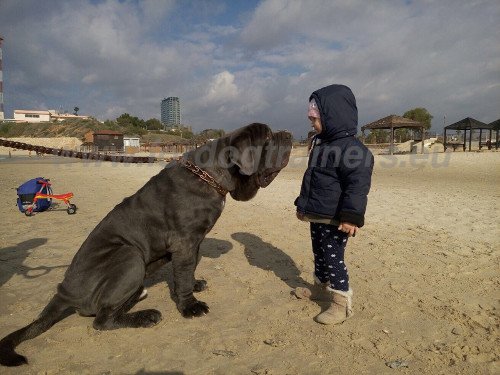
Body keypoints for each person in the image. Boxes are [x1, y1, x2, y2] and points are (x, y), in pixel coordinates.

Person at [294, 84, 374, 325]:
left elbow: (357, 186)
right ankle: (320, 287)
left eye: (315, 119)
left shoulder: (353, 150)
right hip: (317, 213)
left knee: (333, 258)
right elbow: (313, 179)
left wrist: (351, 216)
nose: (312, 124)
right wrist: (303, 207)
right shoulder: (321, 144)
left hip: (336, 217)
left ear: (333, 116)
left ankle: (341, 302)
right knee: (318, 252)